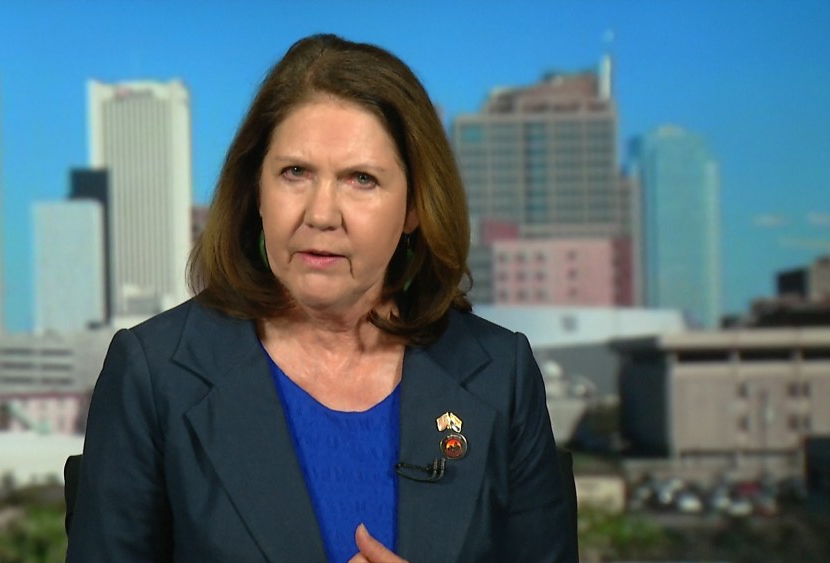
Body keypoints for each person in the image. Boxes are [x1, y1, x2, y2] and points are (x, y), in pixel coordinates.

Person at [66, 34, 576, 562]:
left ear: (414, 208)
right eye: (295, 173)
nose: (321, 214)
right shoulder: (155, 377)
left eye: (361, 179)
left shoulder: (500, 375)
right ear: (256, 191)